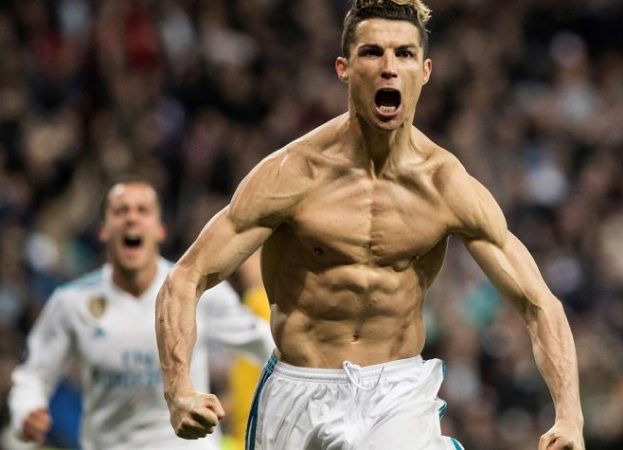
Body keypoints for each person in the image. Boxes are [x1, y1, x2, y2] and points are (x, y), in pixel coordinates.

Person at [155, 1, 585, 449]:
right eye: (372, 52)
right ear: (343, 68)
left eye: (405, 54)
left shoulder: (445, 186)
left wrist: (570, 418)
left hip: (396, 391)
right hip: (298, 390)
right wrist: (178, 390)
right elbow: (186, 277)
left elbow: (538, 303)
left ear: (425, 71)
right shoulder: (293, 174)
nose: (389, 67)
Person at [8, 179, 275, 450]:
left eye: (142, 210)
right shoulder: (72, 303)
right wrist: (26, 410)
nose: (131, 219)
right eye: (120, 211)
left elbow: (265, 343)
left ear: (160, 229)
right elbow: (33, 375)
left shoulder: (201, 293)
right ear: (104, 230)